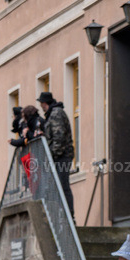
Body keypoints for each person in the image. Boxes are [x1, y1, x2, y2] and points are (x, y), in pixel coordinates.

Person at [37, 90, 75, 218]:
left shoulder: (55, 114)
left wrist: (52, 156)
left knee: (62, 185)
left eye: (41, 103)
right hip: (61, 155)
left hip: (62, 156)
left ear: (44, 103)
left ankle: (69, 215)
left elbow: (59, 137)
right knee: (59, 186)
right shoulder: (53, 113)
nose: (41, 106)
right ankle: (64, 215)